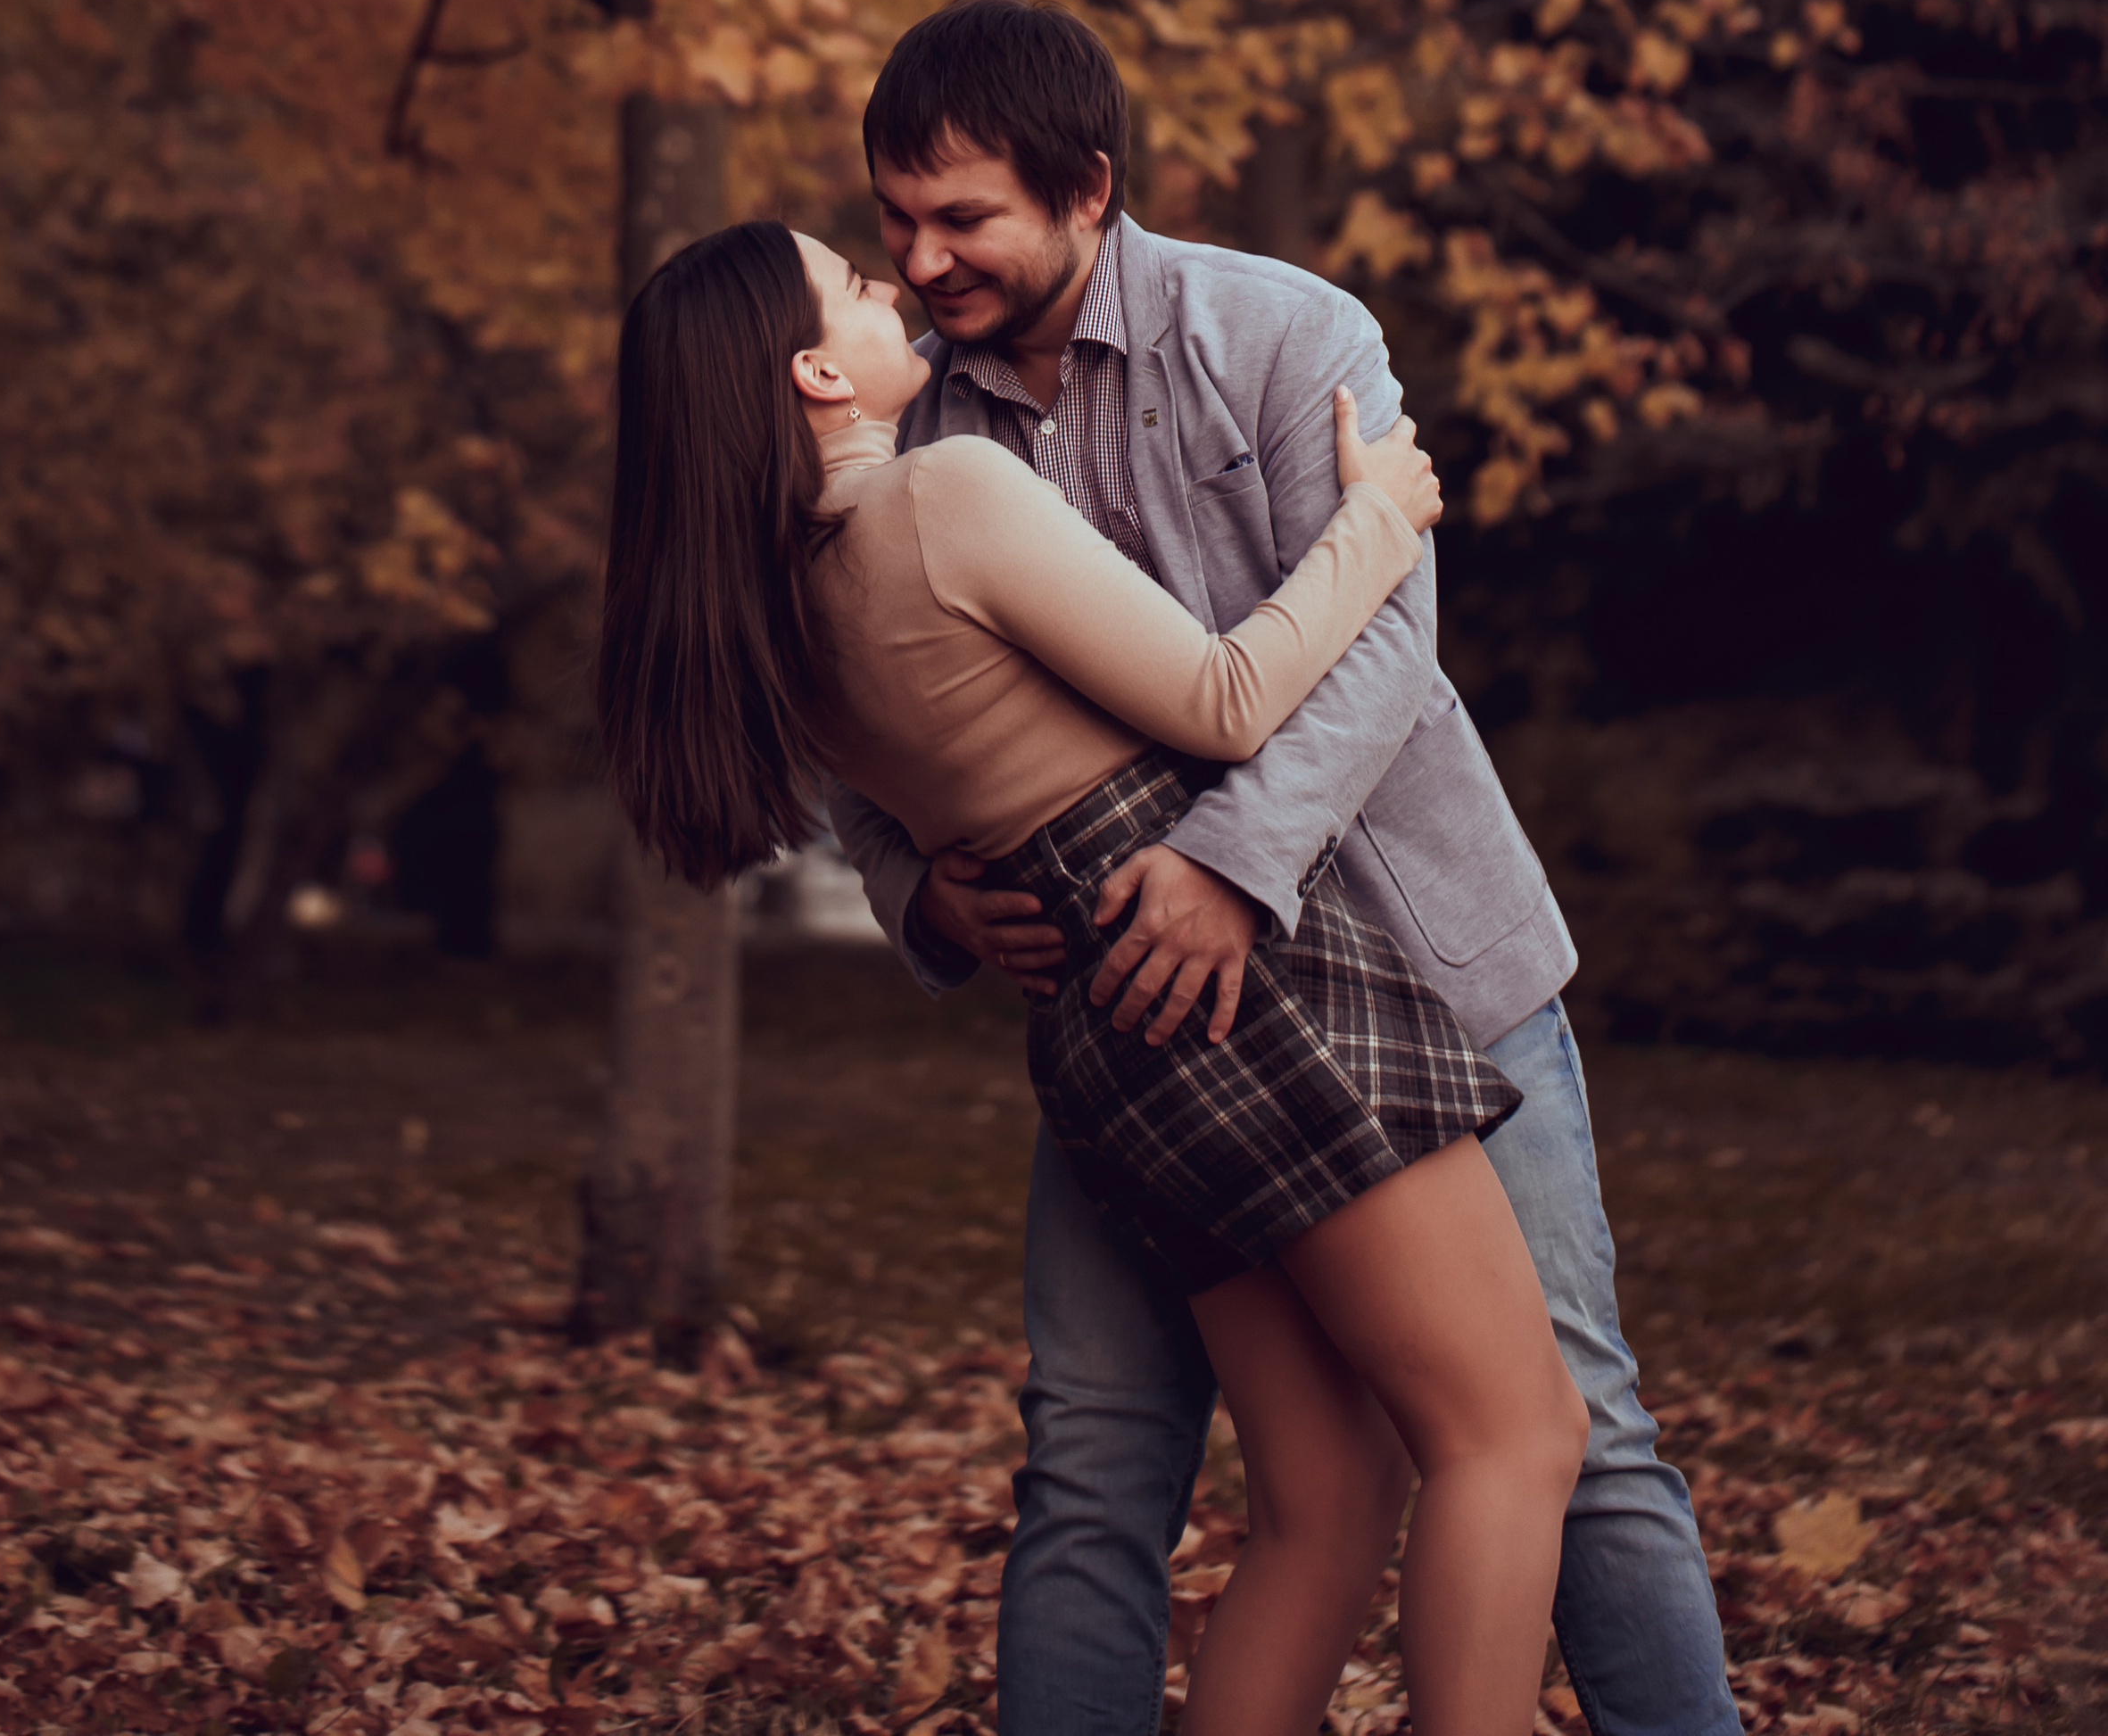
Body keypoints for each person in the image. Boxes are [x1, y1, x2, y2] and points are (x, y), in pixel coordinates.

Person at [829, 0, 1743, 1736]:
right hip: (1148, 1030)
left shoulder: (1274, 331)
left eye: (962, 220)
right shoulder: (914, 442)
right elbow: (864, 733)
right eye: (894, 224)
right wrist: (920, 896)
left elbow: (1379, 647)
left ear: (1085, 189)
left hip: (1424, 969)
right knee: (1098, 1450)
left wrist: (1231, 865)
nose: (922, 260)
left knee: (1575, 1433)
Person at [598, 216, 1590, 1736]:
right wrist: (1382, 516)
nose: (898, 287)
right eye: (858, 286)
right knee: (1515, 1436)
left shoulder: (784, 614)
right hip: (1240, 979)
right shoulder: (942, 495)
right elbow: (1226, 696)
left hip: (1107, 1029)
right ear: (813, 371)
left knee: (1327, 1504)